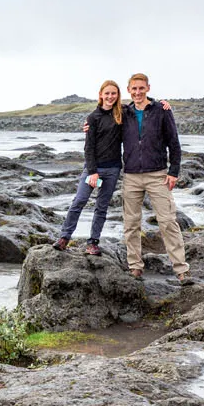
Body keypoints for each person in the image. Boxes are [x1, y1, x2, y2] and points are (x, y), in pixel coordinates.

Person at [120, 72, 192, 284]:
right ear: (129, 90)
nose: (138, 92)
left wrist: (174, 171)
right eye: (134, 89)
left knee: (168, 221)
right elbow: (102, 121)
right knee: (131, 223)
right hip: (131, 175)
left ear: (148, 88)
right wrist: (89, 125)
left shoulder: (161, 110)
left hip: (157, 174)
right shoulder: (124, 112)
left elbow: (174, 142)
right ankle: (135, 267)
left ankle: (181, 270)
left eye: (141, 88)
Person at [53, 80, 124, 255]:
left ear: (118, 95)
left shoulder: (122, 114)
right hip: (94, 169)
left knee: (102, 206)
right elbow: (88, 147)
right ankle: (64, 238)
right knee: (79, 201)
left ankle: (93, 243)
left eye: (113, 93)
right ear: (101, 94)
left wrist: (159, 103)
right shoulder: (93, 117)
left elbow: (141, 104)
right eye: (107, 93)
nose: (110, 97)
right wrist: (92, 172)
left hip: (113, 169)